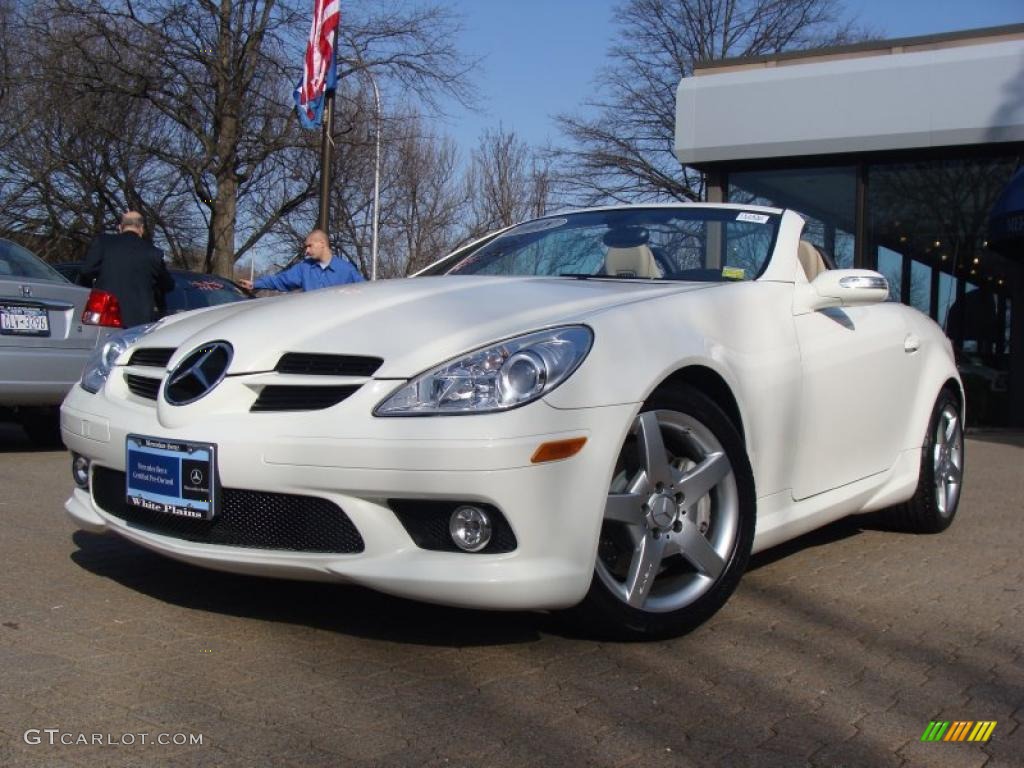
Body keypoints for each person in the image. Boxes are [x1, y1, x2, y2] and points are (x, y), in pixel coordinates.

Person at [79, 210, 175, 328]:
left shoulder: (104, 243)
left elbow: (86, 271)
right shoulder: (153, 253)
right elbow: (168, 285)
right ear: (141, 228)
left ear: (120, 227)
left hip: (105, 315)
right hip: (139, 322)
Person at [239, 229, 363, 292]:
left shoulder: (347, 270)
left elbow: (366, 292)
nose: (307, 251)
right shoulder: (304, 268)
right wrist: (255, 284)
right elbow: (279, 281)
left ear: (322, 243)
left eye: (310, 246)